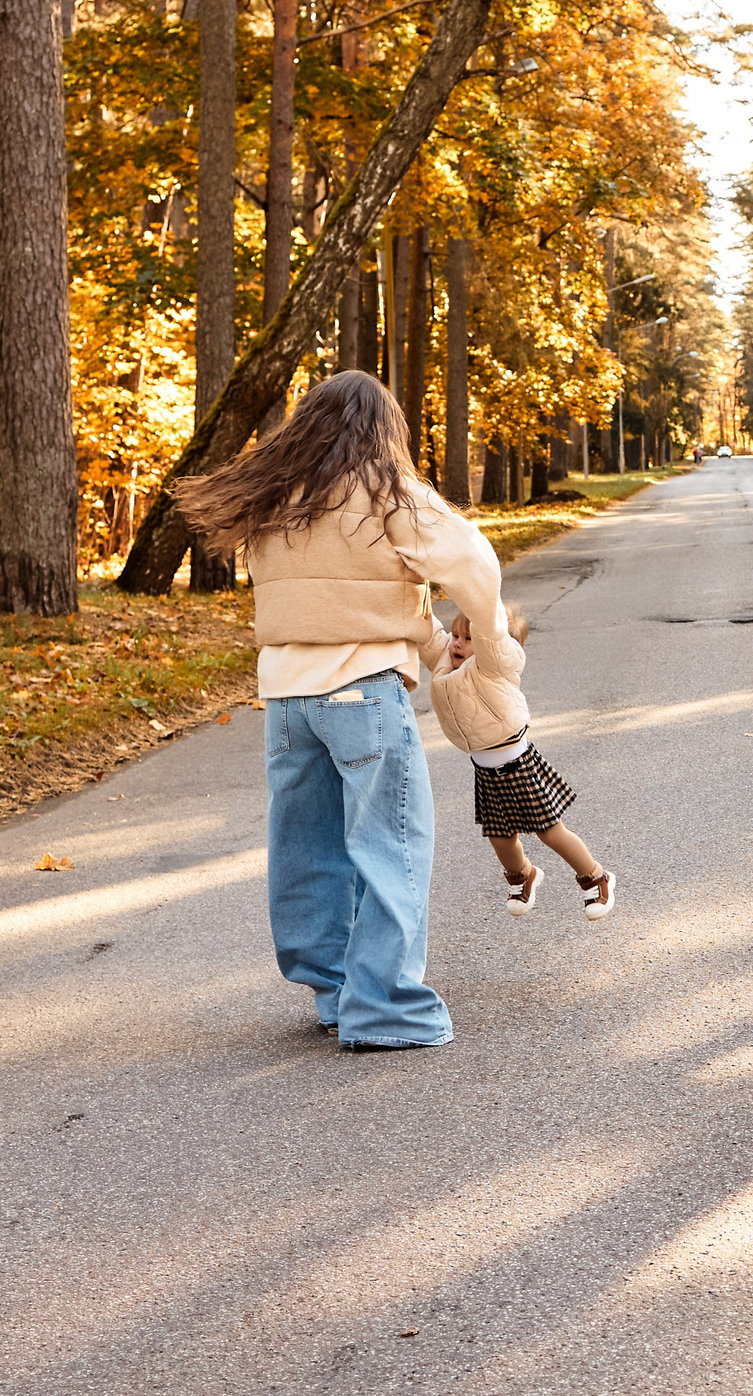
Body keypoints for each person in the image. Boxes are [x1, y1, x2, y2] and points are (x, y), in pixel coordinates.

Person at [175, 370, 503, 1051]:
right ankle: (384, 1008)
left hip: (286, 702)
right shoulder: (388, 491)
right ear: (383, 429)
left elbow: (344, 599)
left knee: (309, 846)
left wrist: (435, 646)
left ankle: (335, 989)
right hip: (361, 694)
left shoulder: (275, 497)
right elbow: (473, 563)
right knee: (392, 842)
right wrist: (488, 635)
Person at [435, 612, 616, 920]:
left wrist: (483, 610)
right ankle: (523, 874)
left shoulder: (494, 669)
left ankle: (596, 876)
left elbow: (490, 640)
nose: (457, 644)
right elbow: (431, 642)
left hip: (518, 767)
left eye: (469, 638)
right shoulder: (452, 674)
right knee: (500, 837)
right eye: (455, 636)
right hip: (487, 774)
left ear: (491, 646)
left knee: (550, 832)